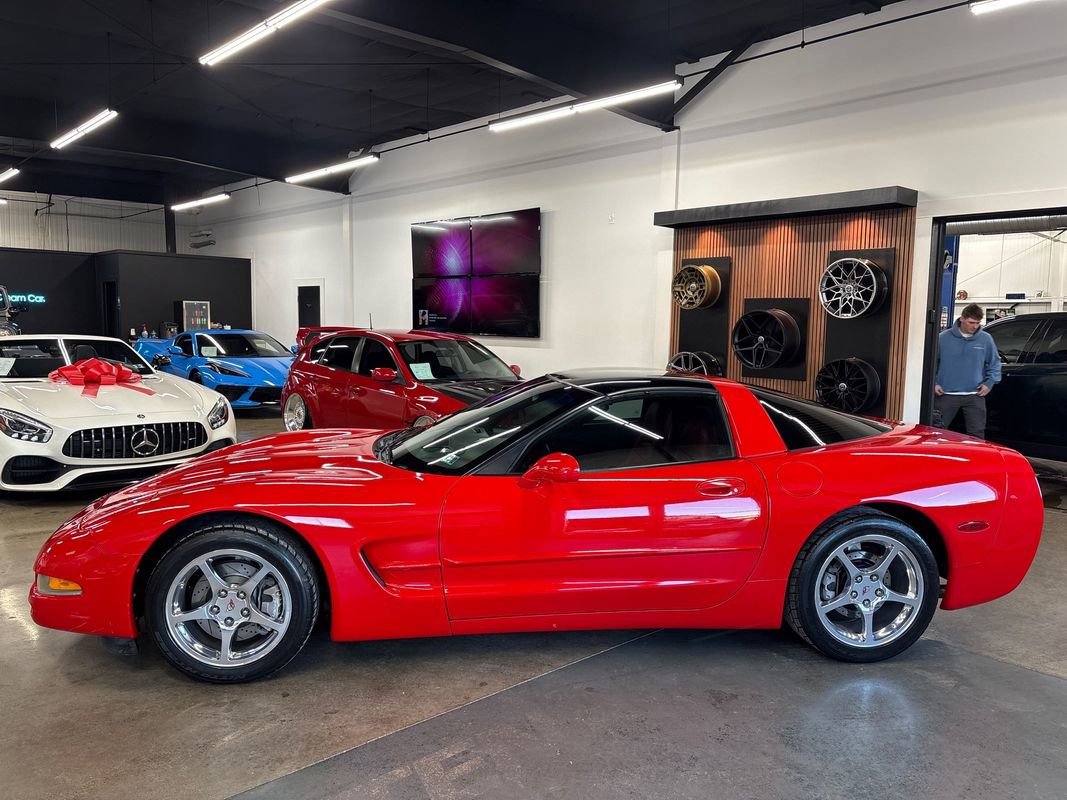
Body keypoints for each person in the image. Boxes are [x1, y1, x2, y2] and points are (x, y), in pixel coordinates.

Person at [933, 303, 1001, 438]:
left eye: (977, 323)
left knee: (977, 433)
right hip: (946, 394)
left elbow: (995, 362)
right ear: (962, 319)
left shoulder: (985, 339)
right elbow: (931, 363)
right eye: (971, 322)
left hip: (975, 395)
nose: (975, 326)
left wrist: (990, 383)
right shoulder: (943, 338)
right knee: (937, 432)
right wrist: (934, 383)